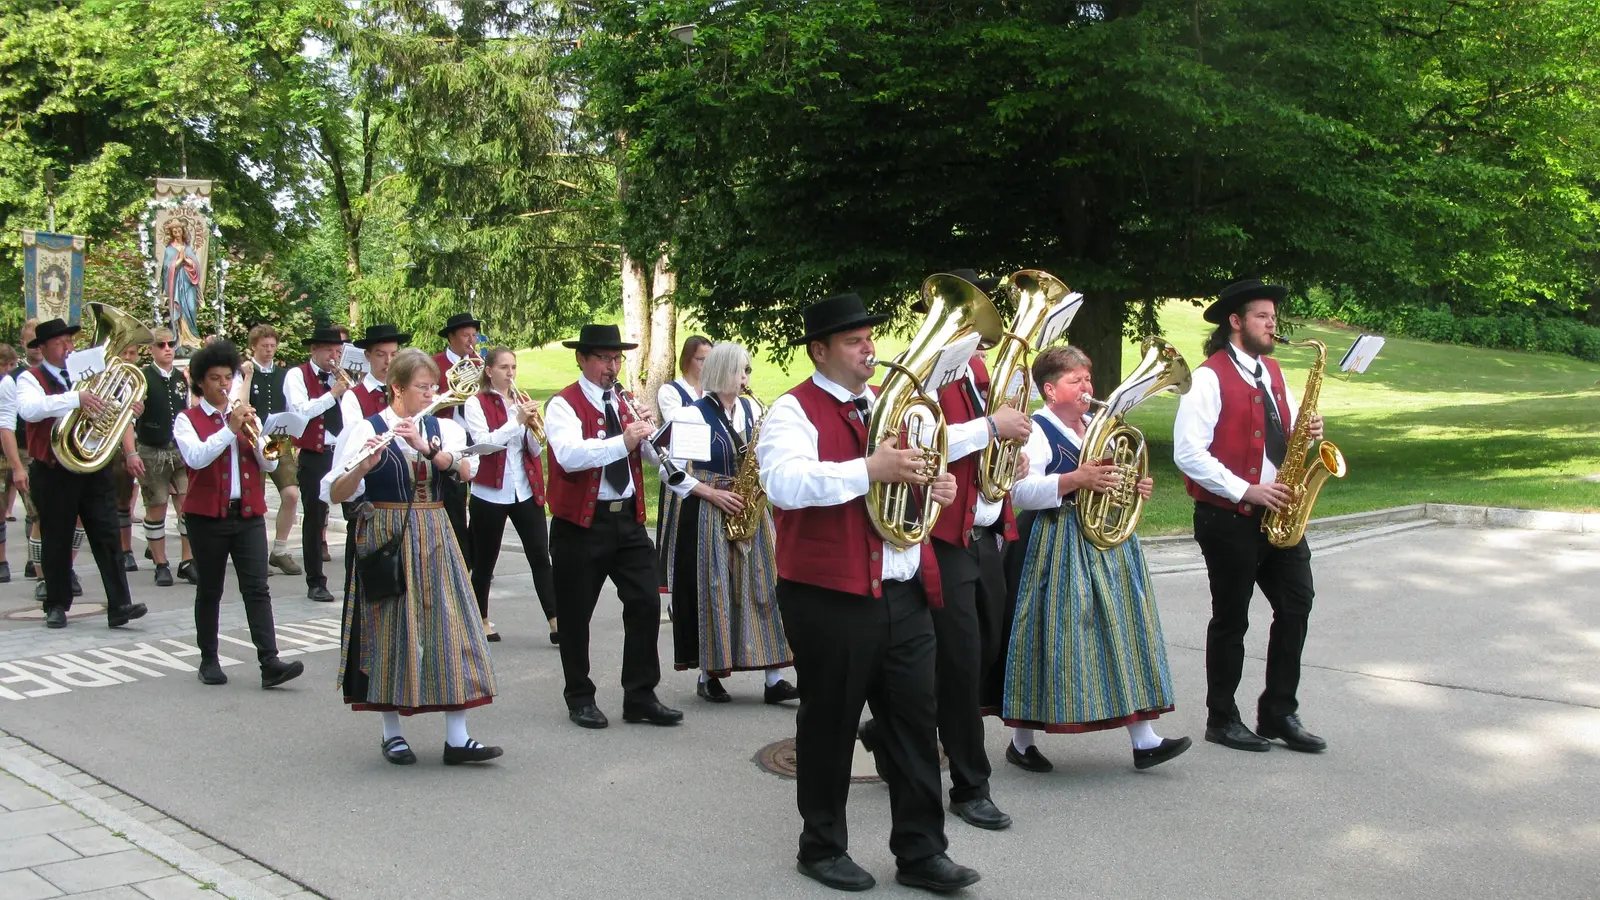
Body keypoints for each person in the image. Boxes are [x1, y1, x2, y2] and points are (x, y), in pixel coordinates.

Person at [757, 293, 978, 894]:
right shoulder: (791, 412)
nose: (869, 350)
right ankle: (821, 847)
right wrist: (869, 470)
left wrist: (931, 487)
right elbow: (785, 482)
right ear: (819, 351)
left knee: (913, 723)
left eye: (870, 338)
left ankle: (922, 852)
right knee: (829, 724)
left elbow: (908, 476)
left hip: (903, 591)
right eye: (855, 341)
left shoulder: (885, 406)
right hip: (830, 597)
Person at [1000, 345, 1190, 772]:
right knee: (1049, 640)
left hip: (1108, 543)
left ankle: (1145, 740)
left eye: (1087, 379)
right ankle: (1022, 741)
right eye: (1075, 381)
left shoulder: (1100, 426)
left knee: (1125, 631)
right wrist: (1074, 479)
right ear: (1050, 390)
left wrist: (1132, 487)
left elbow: (1114, 479)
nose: (1087, 387)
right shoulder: (1036, 430)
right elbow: (1020, 493)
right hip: (1055, 542)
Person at [325, 347, 500, 766]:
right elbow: (333, 493)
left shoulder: (440, 427)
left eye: (432, 386)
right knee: (388, 629)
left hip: (436, 532)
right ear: (397, 389)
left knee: (452, 627)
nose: (431, 393)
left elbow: (466, 471)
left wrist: (424, 446)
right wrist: (362, 467)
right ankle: (392, 733)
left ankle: (457, 738)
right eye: (422, 387)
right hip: (385, 535)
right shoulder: (364, 429)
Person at [1173, 279, 1327, 753]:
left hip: (1279, 513)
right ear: (1235, 322)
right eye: (1263, 316)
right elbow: (1187, 452)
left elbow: (1288, 432)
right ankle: (1222, 717)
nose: (1272, 324)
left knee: (1297, 604)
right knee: (1232, 619)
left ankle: (1279, 711)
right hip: (1229, 516)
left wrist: (1312, 428)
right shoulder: (1208, 377)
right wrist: (1248, 489)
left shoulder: (1274, 372)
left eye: (1274, 317)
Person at [545, 324, 681, 730]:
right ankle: (580, 697)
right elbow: (569, 456)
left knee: (645, 602)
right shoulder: (563, 405)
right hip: (581, 525)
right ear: (582, 359)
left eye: (617, 358)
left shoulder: (623, 401)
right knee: (575, 615)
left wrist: (656, 436)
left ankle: (640, 695)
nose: (612, 365)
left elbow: (654, 460)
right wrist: (623, 441)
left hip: (628, 520)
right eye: (604, 358)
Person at [661, 342, 797, 703]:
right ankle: (709, 675)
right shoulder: (692, 415)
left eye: (747, 371)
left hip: (750, 505)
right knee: (716, 589)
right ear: (723, 372)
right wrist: (709, 493)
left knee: (766, 585)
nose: (746, 378)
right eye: (742, 371)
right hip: (712, 508)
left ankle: (774, 678)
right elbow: (669, 469)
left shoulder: (751, 409)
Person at [173, 340, 304, 689]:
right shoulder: (187, 420)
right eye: (215, 378)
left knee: (257, 588)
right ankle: (208, 658)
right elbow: (197, 458)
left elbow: (269, 461)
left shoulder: (248, 417)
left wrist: (270, 440)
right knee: (211, 589)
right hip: (207, 518)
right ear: (201, 382)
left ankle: (270, 661)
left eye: (227, 377)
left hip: (247, 514)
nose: (223, 385)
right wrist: (229, 429)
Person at [16, 319, 148, 630]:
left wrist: (126, 407)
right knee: (57, 538)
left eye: (69, 342)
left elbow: (106, 408)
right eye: (60, 343)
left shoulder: (83, 373)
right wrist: (75, 399)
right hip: (53, 470)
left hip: (92, 467)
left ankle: (119, 604)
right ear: (44, 348)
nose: (68, 348)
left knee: (107, 534)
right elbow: (31, 410)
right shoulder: (29, 379)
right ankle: (57, 604)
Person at [461, 346, 557, 645]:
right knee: (485, 560)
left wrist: (530, 428)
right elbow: (484, 443)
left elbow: (534, 449)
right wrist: (515, 421)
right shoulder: (475, 404)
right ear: (489, 371)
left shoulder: (521, 400)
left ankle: (556, 622)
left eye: (513, 367)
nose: (511, 373)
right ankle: (482, 618)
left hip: (525, 489)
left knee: (541, 555)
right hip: (490, 491)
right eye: (504, 367)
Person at [339, 324, 410, 605]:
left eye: (394, 354)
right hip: (368, 496)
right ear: (368, 356)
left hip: (402, 496)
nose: (389, 361)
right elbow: (356, 443)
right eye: (381, 354)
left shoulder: (404, 392)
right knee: (365, 582)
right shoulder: (354, 397)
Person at [286, 326, 350, 602]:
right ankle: (315, 581)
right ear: (314, 349)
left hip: (344, 451)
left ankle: (355, 577)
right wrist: (333, 392)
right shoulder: (296, 375)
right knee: (315, 516)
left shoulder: (344, 378)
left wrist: (349, 391)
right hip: (316, 451)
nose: (334, 357)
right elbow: (301, 411)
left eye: (338, 351)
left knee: (356, 513)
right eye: (328, 351)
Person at [133, 328, 196, 587]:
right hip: (152, 449)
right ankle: (160, 563)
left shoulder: (181, 377)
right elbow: (130, 417)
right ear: (152, 349)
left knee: (187, 506)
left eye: (171, 344)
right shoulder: (143, 377)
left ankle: (187, 561)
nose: (168, 349)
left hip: (179, 449)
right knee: (156, 506)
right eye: (161, 345)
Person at [654, 335, 710, 595]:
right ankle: (675, 590)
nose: (706, 365)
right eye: (701, 359)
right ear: (687, 360)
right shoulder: (671, 390)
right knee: (678, 532)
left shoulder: (711, 391)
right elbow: (677, 421)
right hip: (681, 466)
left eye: (711, 360)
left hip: (706, 466)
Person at [244, 325, 302, 575]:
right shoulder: (246, 371)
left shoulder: (284, 374)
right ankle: (253, 552)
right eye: (264, 346)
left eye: (272, 346)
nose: (269, 350)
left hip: (278, 439)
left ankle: (279, 549)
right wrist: (246, 376)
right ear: (254, 347)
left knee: (291, 494)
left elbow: (292, 407)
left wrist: (296, 436)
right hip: (252, 439)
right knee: (254, 500)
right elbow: (241, 403)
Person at [431, 312, 479, 565]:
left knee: (482, 504)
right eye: (465, 336)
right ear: (451, 337)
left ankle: (478, 556)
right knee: (456, 501)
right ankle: (461, 558)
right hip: (450, 438)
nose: (471, 342)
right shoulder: (434, 364)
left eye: (474, 336)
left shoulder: (480, 364)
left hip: (478, 435)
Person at [111, 343, 143, 573]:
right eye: (125, 352)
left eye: (133, 353)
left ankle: (125, 550)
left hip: (127, 445)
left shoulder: (139, 382)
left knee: (124, 500)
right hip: (103, 444)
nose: (129, 357)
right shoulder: (104, 380)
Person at [161, 220, 202, 348]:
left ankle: (193, 338)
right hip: (176, 284)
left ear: (183, 231)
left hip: (188, 283)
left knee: (190, 307)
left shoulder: (188, 248)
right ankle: (182, 338)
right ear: (171, 233)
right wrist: (179, 261)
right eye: (174, 231)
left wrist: (188, 262)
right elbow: (167, 268)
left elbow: (196, 267)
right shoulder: (169, 249)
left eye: (179, 231)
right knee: (180, 309)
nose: (177, 233)